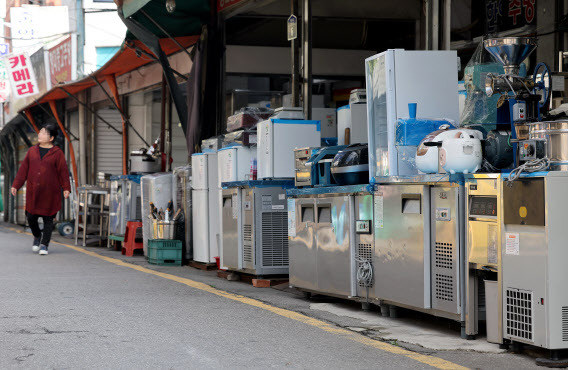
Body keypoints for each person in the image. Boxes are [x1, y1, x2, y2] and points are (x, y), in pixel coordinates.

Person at [11, 123, 71, 255]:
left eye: (43, 133)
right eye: (40, 132)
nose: (40, 134)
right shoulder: (32, 151)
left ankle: (44, 244)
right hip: (34, 192)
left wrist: (66, 188)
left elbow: (63, 172)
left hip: (50, 192)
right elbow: (23, 170)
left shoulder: (57, 153)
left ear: (51, 138)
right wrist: (16, 185)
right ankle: (37, 236)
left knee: (48, 219)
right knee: (31, 216)